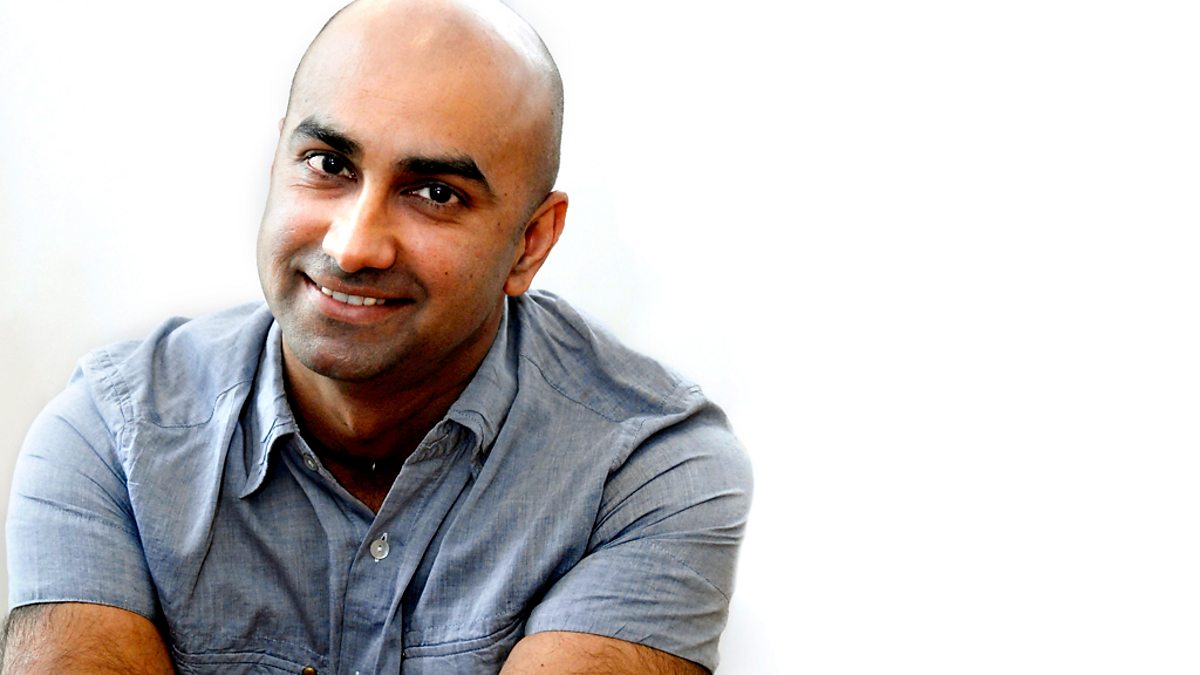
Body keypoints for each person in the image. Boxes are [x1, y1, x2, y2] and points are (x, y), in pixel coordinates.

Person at [2, 0, 752, 672]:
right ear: (278, 162)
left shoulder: (646, 469)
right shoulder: (114, 441)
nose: (355, 244)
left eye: (435, 193)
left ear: (530, 243)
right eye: (328, 164)